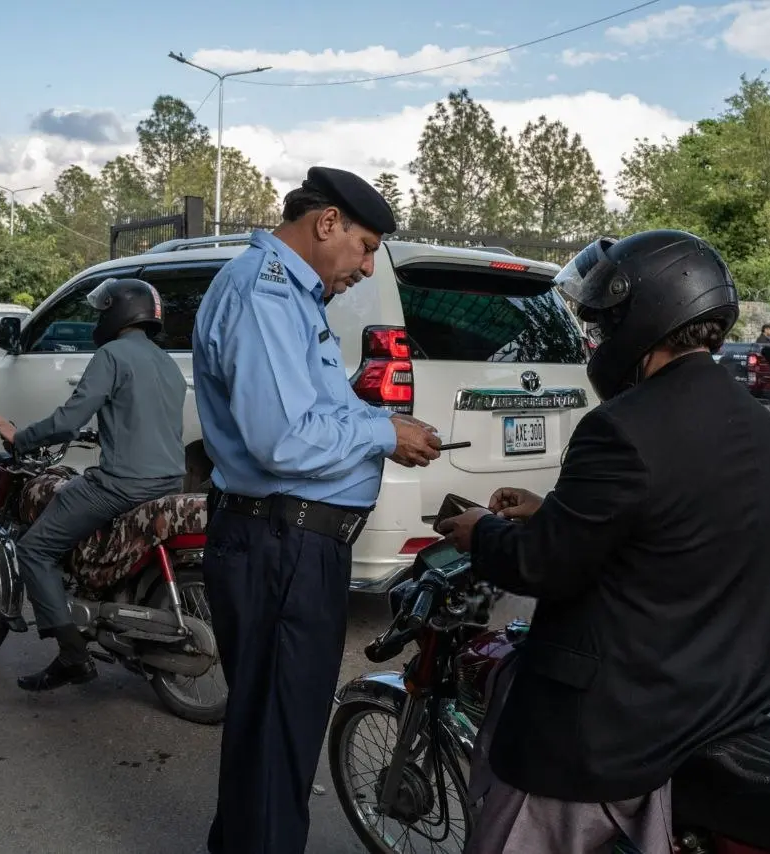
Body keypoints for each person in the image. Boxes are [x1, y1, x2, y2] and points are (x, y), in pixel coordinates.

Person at [439, 229, 770, 854]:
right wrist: (556, 510)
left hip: (616, 725)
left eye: (604, 325)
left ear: (647, 319)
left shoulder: (621, 428)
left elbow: (542, 566)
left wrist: (481, 532)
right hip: (724, 694)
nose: (596, 341)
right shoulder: (754, 421)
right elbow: (677, 529)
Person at [191, 166, 442, 854]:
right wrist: (385, 433)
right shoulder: (267, 293)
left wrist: (384, 425)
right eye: (364, 247)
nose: (365, 267)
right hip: (282, 544)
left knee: (273, 736)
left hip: (291, 543)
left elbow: (313, 414)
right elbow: (282, 441)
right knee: (276, 736)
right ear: (326, 223)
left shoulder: (292, 298)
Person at [0, 277, 187, 692]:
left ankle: (73, 656)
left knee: (34, 549)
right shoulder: (166, 362)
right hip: (169, 481)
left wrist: (18, 436)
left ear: (119, 312)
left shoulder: (112, 355)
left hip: (122, 485)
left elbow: (67, 420)